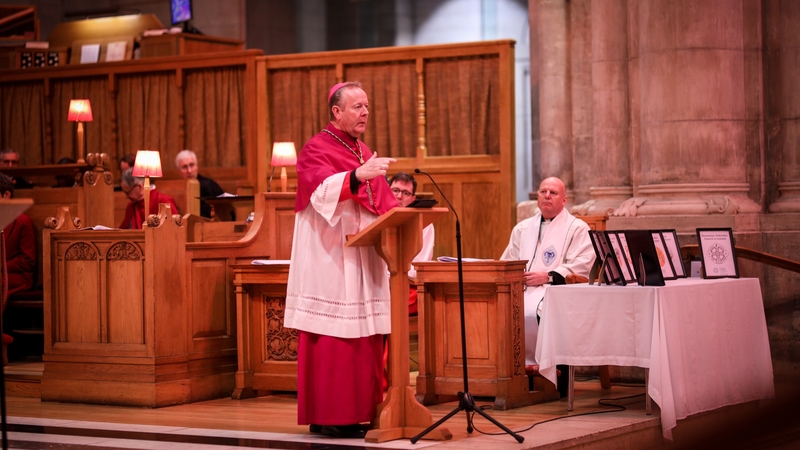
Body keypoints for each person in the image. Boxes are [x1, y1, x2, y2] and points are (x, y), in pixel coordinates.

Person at [284, 81, 398, 439]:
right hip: (331, 257)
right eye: (357, 107)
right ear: (337, 112)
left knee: (363, 335)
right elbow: (318, 193)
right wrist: (352, 177)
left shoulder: (363, 150)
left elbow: (382, 203)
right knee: (335, 336)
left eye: (367, 106)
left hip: (363, 256)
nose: (365, 112)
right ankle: (331, 414)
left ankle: (362, 411)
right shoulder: (316, 148)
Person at [500, 176, 595, 397]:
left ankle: (554, 380)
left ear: (564, 200)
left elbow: (580, 266)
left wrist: (548, 276)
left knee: (541, 310)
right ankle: (513, 376)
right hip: (522, 288)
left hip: (557, 289)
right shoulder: (523, 228)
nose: (547, 196)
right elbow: (508, 260)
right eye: (543, 192)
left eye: (553, 192)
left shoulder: (577, 228)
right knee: (502, 309)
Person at [388, 171, 435, 315]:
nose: (399, 196)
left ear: (413, 198)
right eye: (395, 190)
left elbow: (420, 265)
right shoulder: (374, 217)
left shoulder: (423, 223)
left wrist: (393, 278)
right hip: (376, 286)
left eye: (405, 193)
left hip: (407, 287)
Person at [0, 174, 36, 295]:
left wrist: (2, 266)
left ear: (6, 195)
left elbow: (28, 260)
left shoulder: (22, 221)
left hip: (17, 276)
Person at [174, 150, 227, 219]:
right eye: (184, 167)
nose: (189, 171)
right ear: (178, 171)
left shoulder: (209, 186)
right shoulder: (175, 188)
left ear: (197, 166)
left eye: (191, 165)